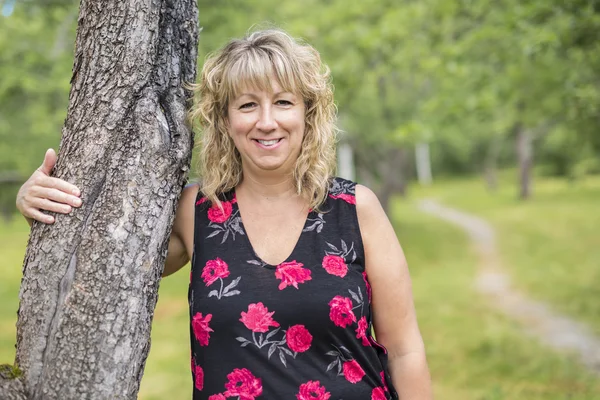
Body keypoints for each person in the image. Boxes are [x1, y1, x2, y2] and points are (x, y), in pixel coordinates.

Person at [16, 29, 432, 399]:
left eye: (283, 102)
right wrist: (34, 198)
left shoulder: (355, 210)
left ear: (307, 113)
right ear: (225, 119)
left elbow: (404, 350)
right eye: (248, 105)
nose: (266, 122)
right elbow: (99, 255)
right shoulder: (195, 213)